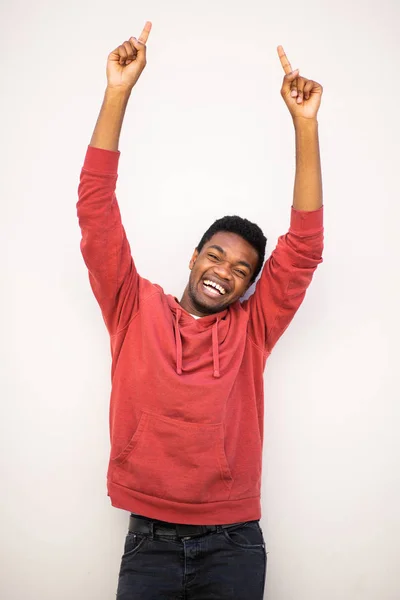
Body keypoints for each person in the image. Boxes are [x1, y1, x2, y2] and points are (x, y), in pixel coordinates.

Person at [76, 20, 324, 600]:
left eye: (242, 270)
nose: (225, 272)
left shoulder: (252, 330)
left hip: (233, 542)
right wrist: (118, 91)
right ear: (193, 258)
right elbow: (95, 210)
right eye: (216, 256)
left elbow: (305, 248)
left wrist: (304, 126)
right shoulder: (132, 306)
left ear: (248, 286)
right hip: (149, 542)